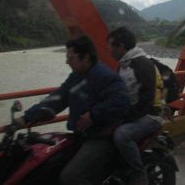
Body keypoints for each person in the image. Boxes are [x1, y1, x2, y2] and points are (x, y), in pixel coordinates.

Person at [15, 35, 130, 185]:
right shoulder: (76, 76)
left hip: (100, 138)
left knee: (71, 177)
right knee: (47, 164)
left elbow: (121, 100)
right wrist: (26, 117)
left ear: (85, 57)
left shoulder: (104, 75)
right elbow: (58, 97)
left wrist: (94, 115)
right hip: (81, 135)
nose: (67, 62)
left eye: (70, 58)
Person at [107, 27, 163, 185]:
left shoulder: (142, 64)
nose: (109, 50)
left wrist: (123, 119)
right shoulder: (123, 65)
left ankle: (138, 174)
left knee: (122, 135)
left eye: (111, 46)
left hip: (151, 115)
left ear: (121, 47)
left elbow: (147, 100)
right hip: (134, 113)